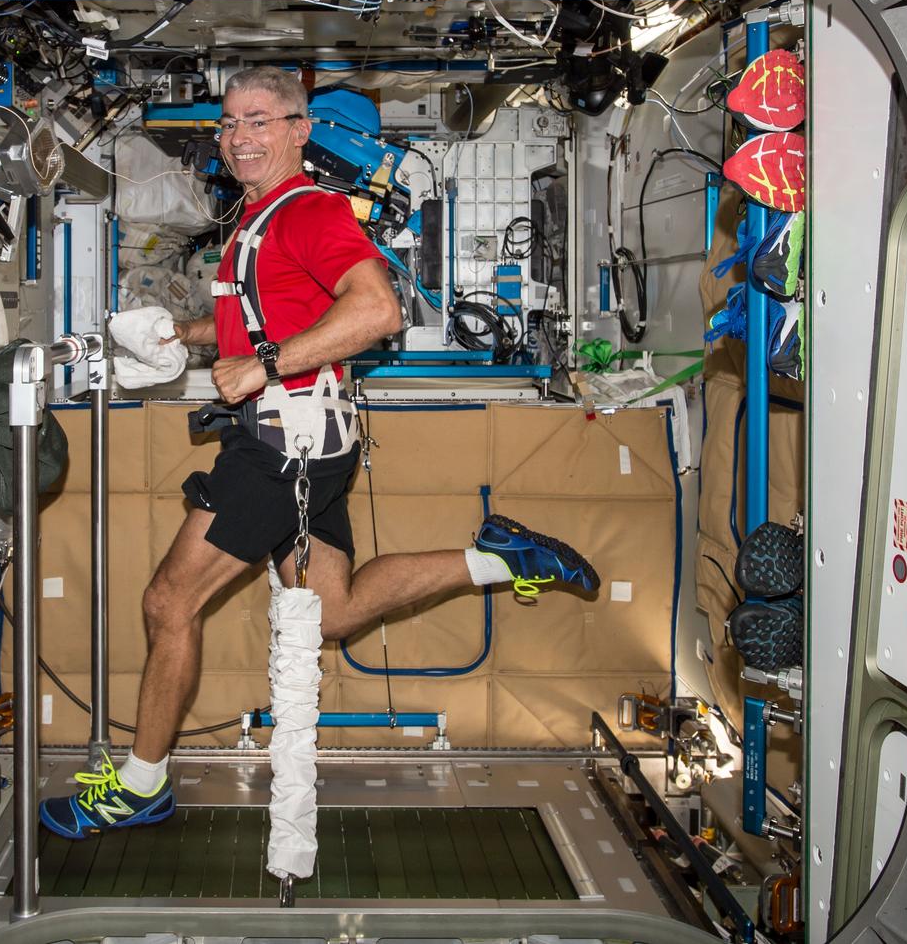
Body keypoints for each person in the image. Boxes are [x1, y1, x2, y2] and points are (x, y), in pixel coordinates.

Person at [39, 67, 599, 840]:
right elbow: (260, 325)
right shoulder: (255, 220)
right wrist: (180, 334)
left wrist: (264, 368)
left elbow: (379, 309)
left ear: (300, 130)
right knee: (331, 611)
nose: (240, 136)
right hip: (312, 440)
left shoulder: (307, 211)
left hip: (282, 445)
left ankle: (142, 783)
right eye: (231, 122)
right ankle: (502, 559)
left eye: (261, 120)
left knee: (169, 602)